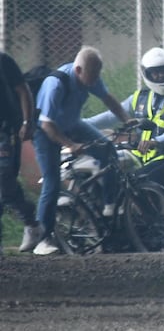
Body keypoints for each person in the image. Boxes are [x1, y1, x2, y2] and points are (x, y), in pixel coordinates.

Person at [32, 46, 132, 255]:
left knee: (107, 149)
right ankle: (42, 238)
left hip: (72, 124)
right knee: (52, 182)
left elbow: (108, 99)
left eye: (97, 75)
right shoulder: (55, 84)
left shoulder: (91, 76)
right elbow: (46, 124)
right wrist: (70, 144)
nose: (95, 80)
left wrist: (126, 119)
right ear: (78, 70)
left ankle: (109, 205)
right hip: (46, 132)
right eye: (92, 75)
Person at [86, 47, 164, 189]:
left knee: (136, 182)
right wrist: (79, 125)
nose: (161, 76)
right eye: (156, 73)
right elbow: (111, 116)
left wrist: (156, 141)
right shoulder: (140, 97)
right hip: (145, 157)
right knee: (106, 172)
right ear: (146, 73)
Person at [0, 51, 44, 256]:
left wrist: (27, 122)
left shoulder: (3, 61)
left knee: (4, 179)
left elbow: (23, 90)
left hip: (7, 130)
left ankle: (31, 222)